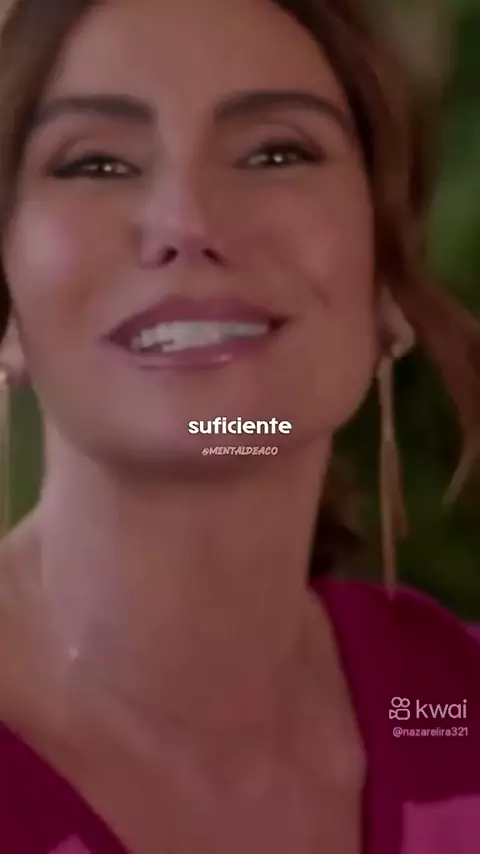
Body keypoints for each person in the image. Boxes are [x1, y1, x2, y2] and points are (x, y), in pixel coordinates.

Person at [0, 0, 478, 852]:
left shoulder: (451, 706)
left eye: (277, 152)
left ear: (386, 280)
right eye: (96, 162)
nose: (188, 223)